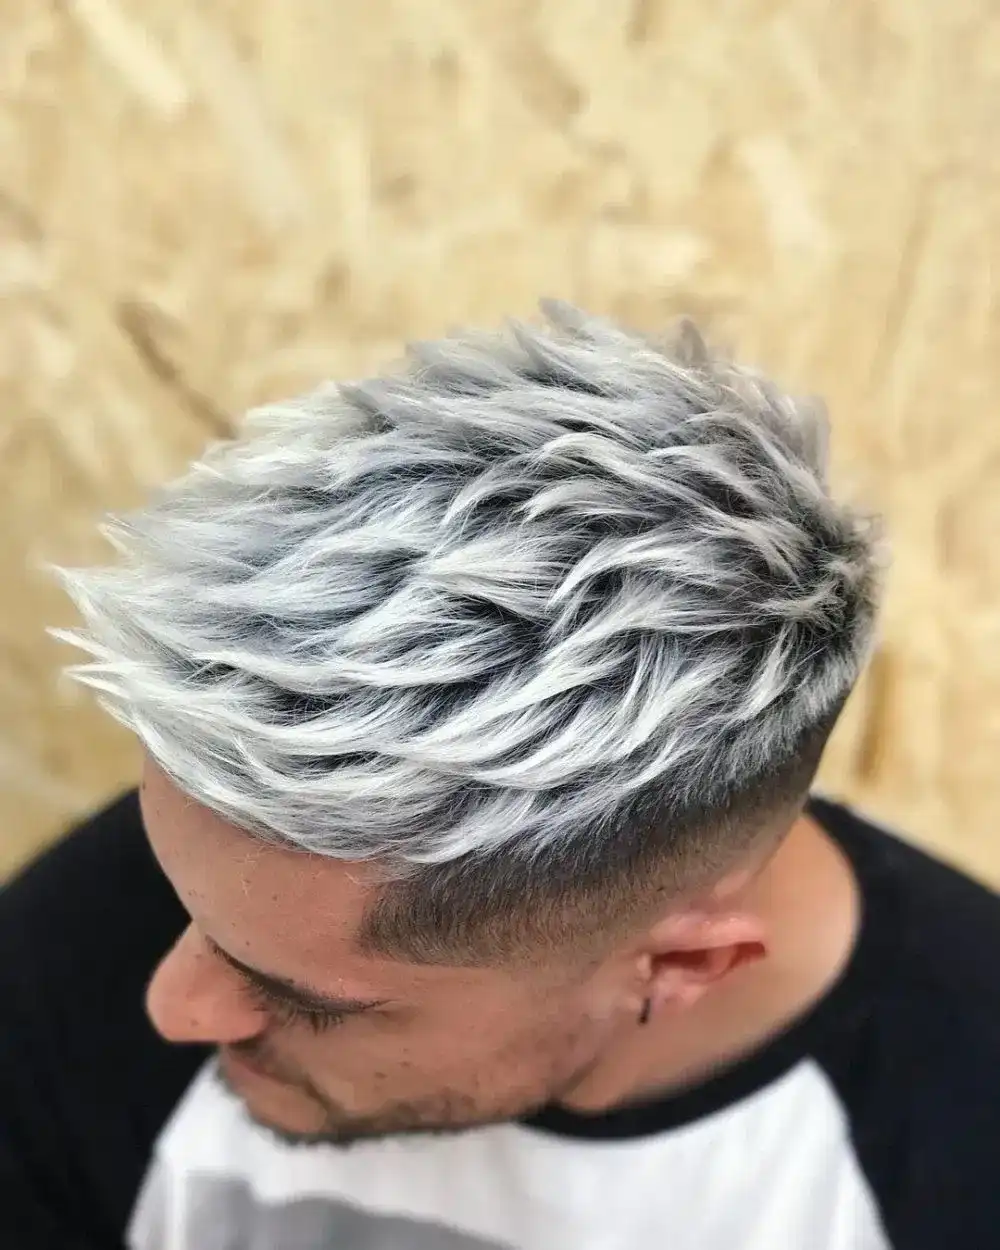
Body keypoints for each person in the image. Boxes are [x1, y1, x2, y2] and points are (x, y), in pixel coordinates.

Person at [2, 302, 998, 1250]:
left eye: (300, 997)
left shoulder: (946, 1159)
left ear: (676, 967)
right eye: (183, 897)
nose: (173, 1005)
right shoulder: (122, 933)